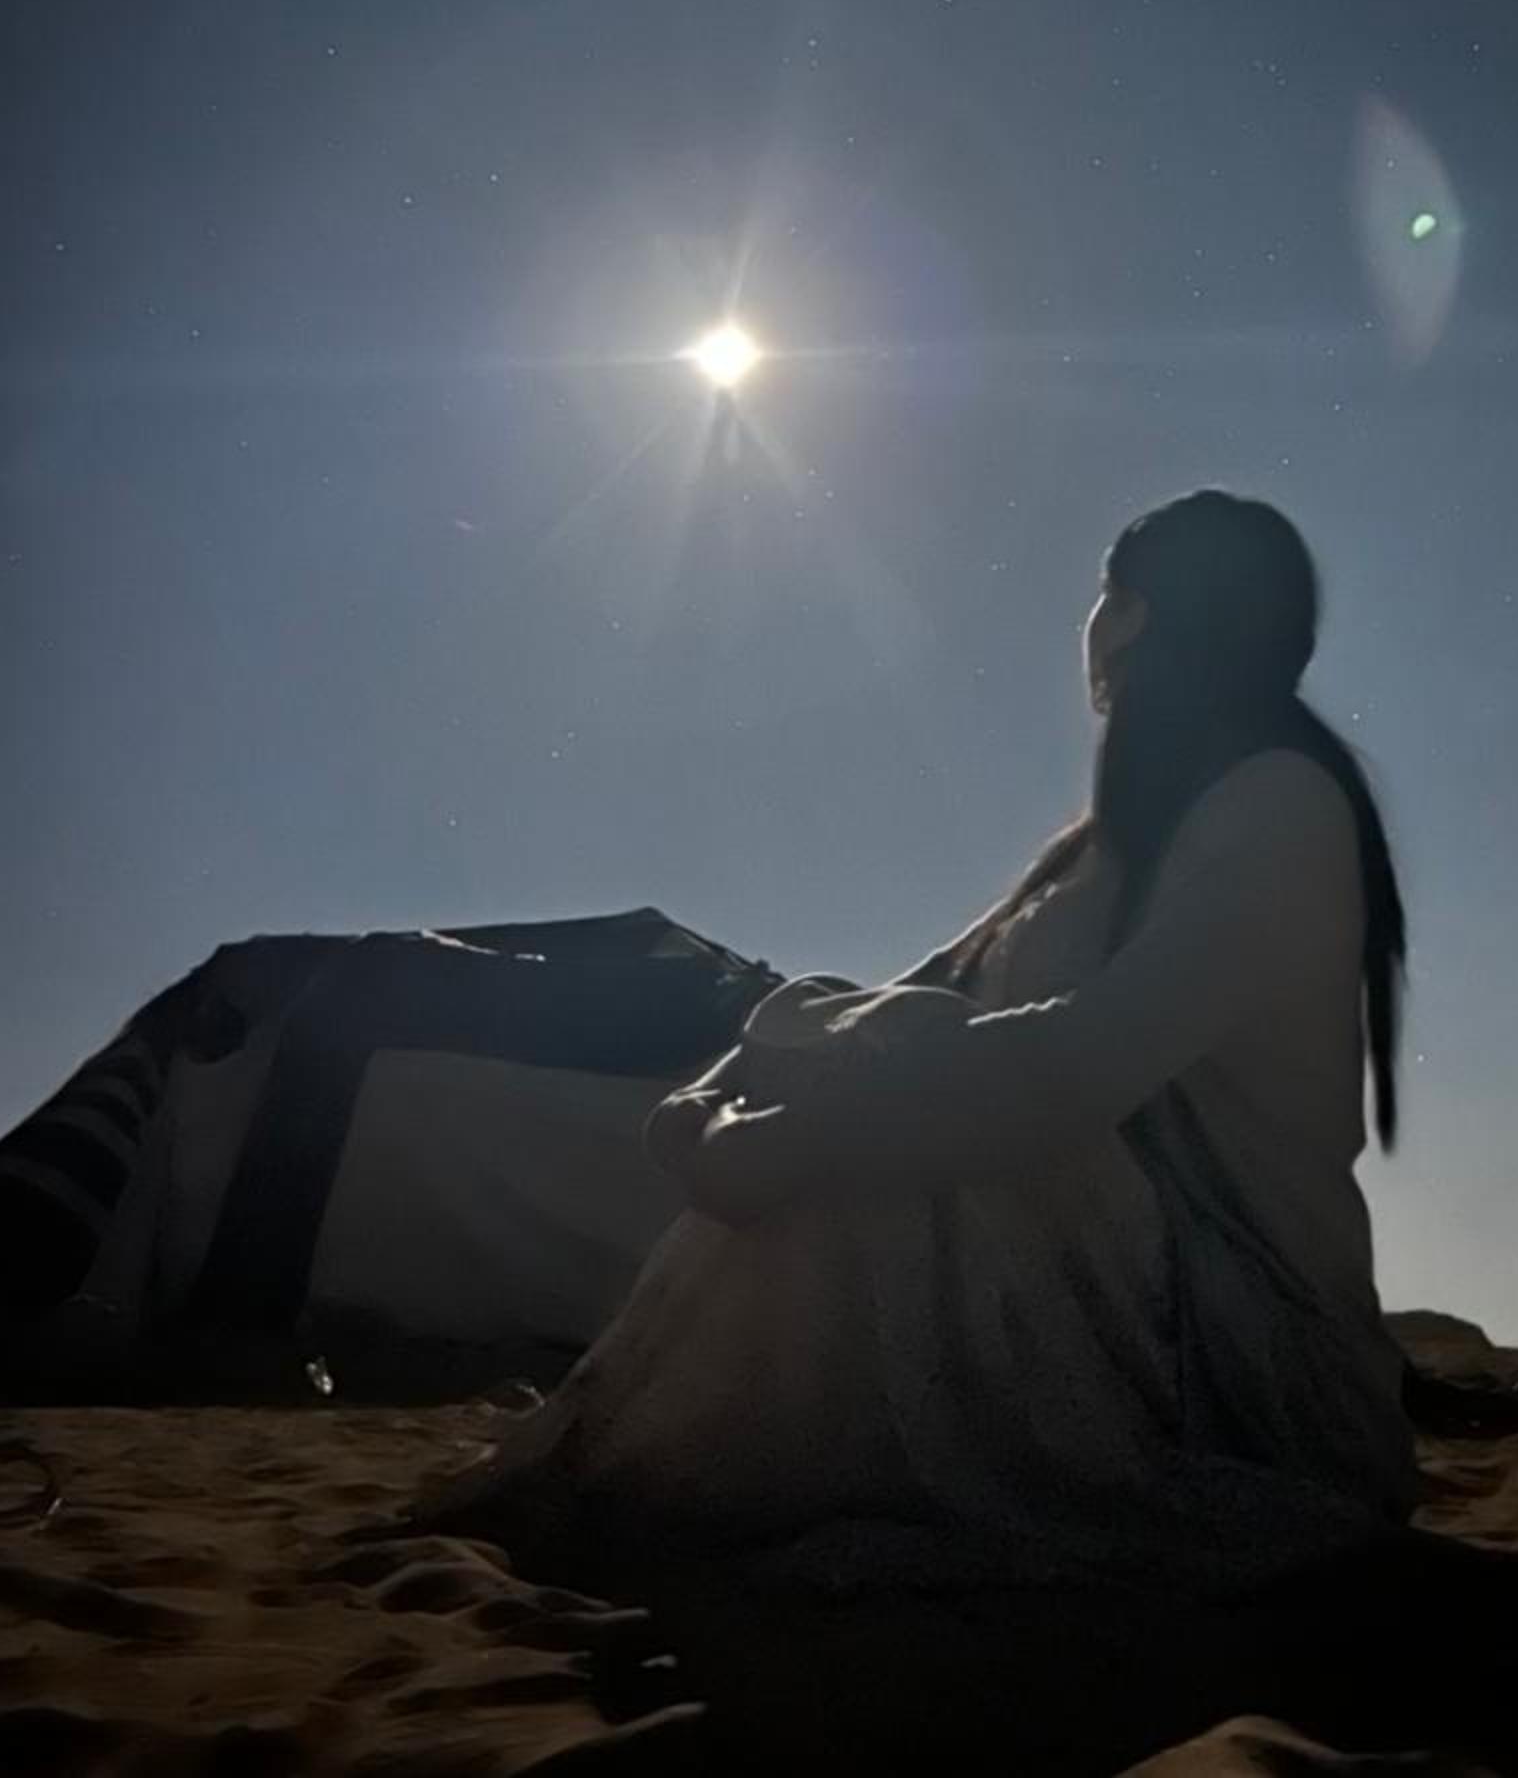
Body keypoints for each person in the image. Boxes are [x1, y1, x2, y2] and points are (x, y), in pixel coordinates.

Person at [423, 488, 1419, 1593]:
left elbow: (1076, 1068)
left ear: (1138, 615)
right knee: (872, 1033)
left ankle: (677, 1480)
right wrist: (716, 1095)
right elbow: (903, 992)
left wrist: (800, 1143)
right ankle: (667, 1472)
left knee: (922, 1097)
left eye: (1105, 595)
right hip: (1126, 1291)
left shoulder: (1280, 807)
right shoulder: (1097, 850)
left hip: (1245, 1363)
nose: (1090, 623)